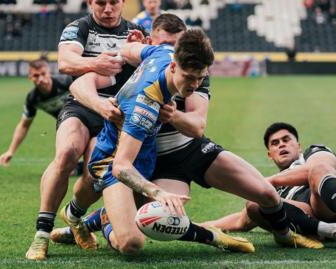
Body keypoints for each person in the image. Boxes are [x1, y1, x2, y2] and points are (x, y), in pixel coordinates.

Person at [55, 15, 322, 253]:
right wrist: (101, 104)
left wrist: (173, 114)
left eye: (200, 77)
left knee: (267, 194)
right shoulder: (146, 102)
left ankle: (285, 235)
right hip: (129, 159)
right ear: (172, 63)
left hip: (186, 148)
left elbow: (197, 126)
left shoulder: (168, 56)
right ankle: (104, 220)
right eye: (190, 77)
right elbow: (120, 162)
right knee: (136, 238)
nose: (195, 84)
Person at [25, 0, 146, 261]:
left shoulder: (135, 31)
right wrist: (94, 64)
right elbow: (65, 62)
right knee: (67, 153)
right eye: (100, 2)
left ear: (122, 3)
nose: (107, 8)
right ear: (91, 3)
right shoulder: (79, 27)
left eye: (113, 2)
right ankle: (41, 235)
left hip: (115, 112)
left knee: (95, 171)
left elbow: (147, 66)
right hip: (82, 104)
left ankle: (75, 217)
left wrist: (141, 49)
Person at [202, 122, 336, 247]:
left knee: (318, 169)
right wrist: (197, 227)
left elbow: (318, 168)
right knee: (254, 203)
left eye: (286, 140)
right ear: (270, 155)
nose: (281, 144)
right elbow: (241, 221)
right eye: (275, 143)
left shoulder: (313, 153)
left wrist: (270, 181)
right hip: (308, 218)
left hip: (332, 204)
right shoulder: (270, 187)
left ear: (298, 146)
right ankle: (334, 232)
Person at [0, 59, 83, 175]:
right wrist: (10, 151)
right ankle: (80, 167)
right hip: (67, 128)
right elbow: (24, 125)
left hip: (88, 120)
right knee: (66, 168)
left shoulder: (66, 82)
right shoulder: (32, 99)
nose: (41, 79)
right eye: (36, 76)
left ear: (49, 73)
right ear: (30, 77)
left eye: (43, 74)